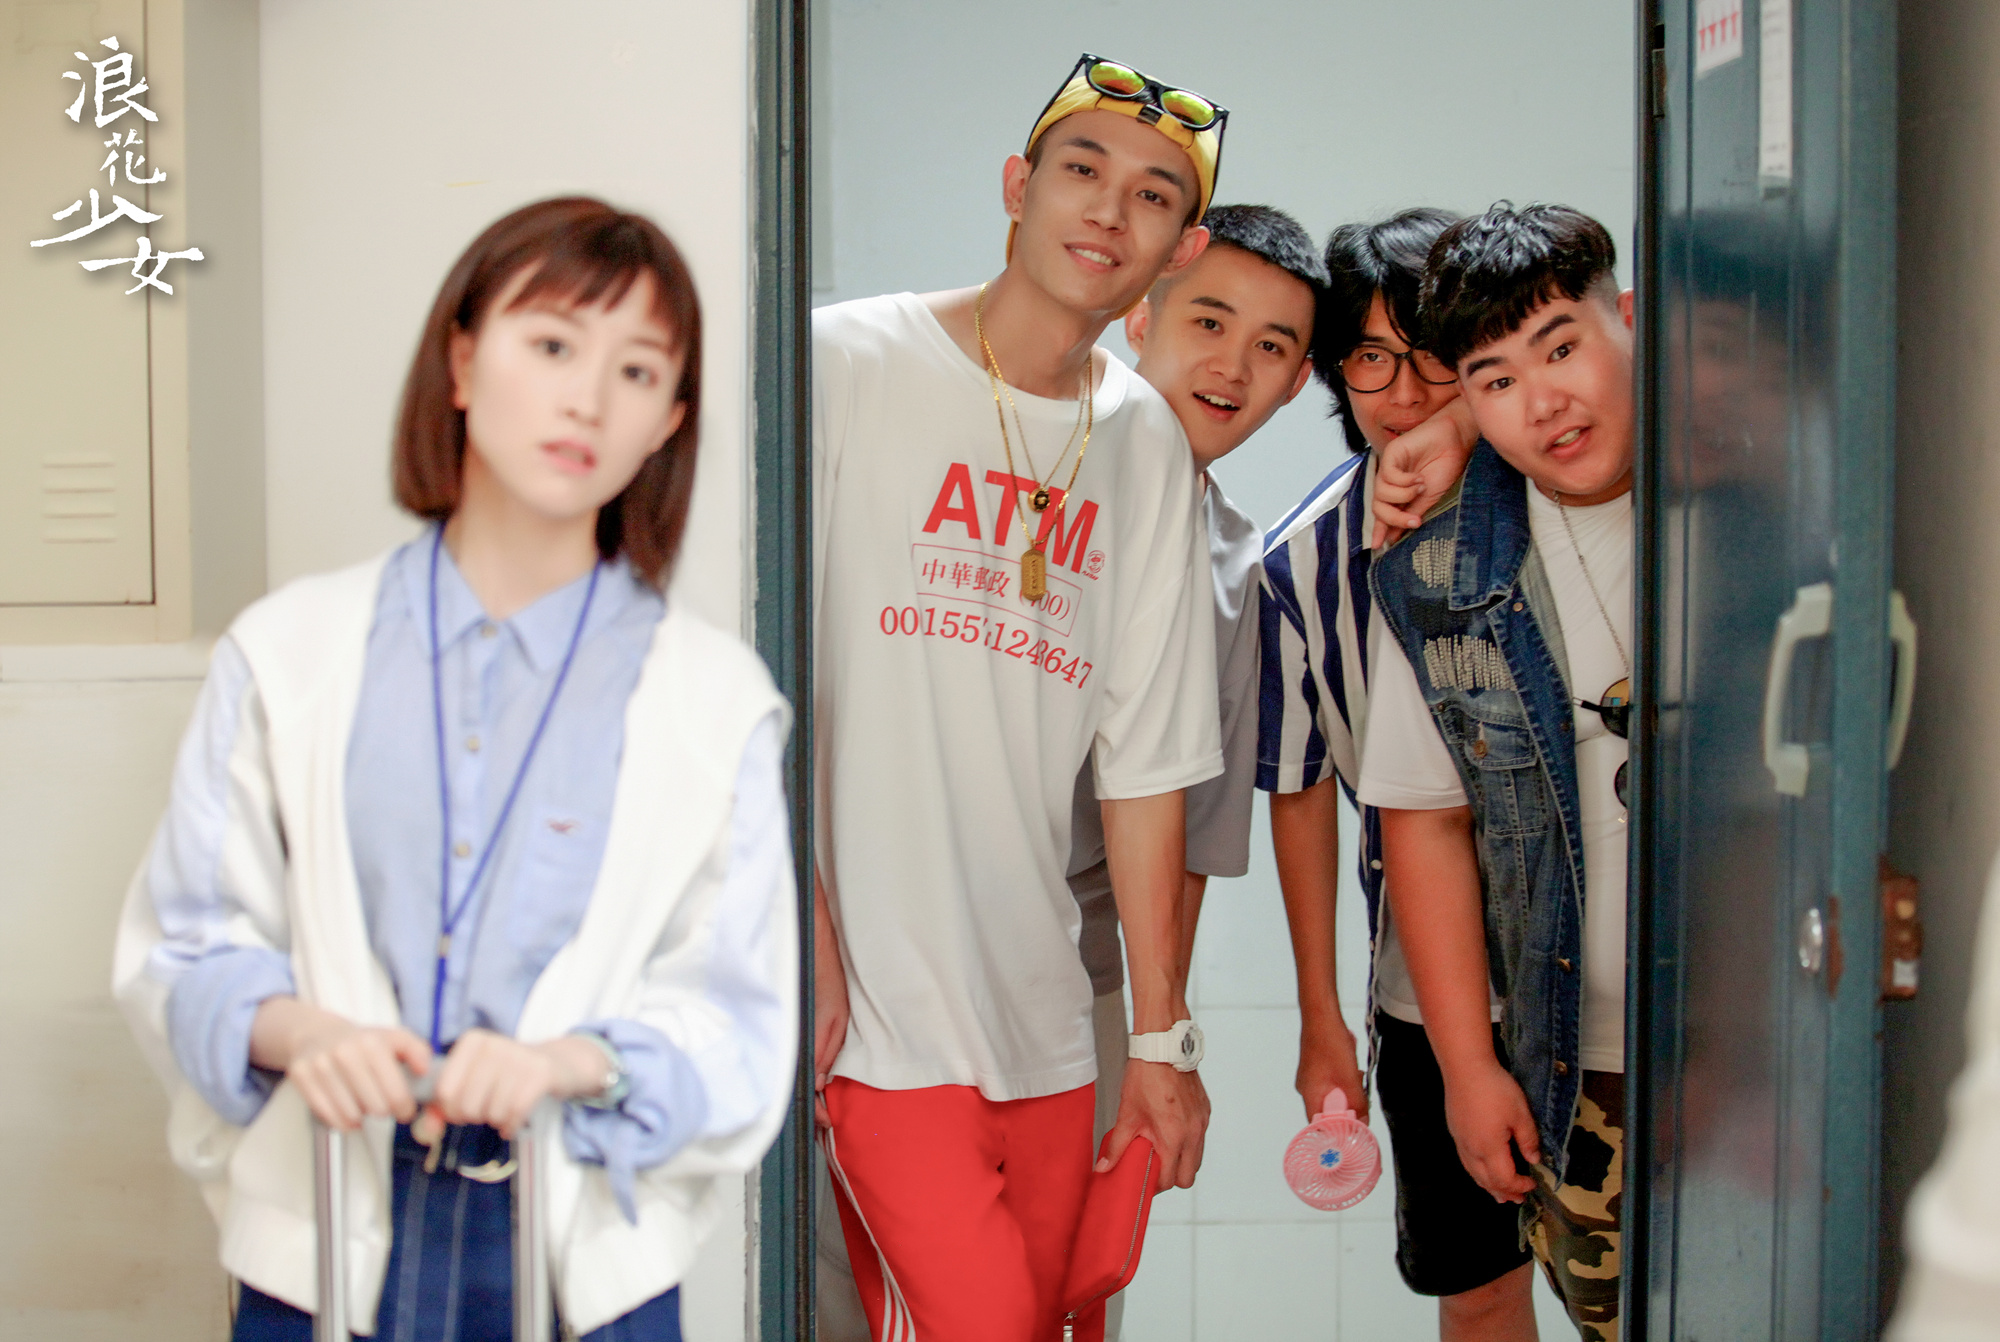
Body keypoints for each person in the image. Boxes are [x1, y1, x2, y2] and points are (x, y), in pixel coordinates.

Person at [112, 197, 798, 1341]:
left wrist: (571, 1062)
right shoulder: (287, 653)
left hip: (582, 1262)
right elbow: (180, 949)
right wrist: (301, 1033)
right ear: (464, 360)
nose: (588, 398)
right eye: (553, 345)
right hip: (325, 1238)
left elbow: (737, 1025)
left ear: (667, 422)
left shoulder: (716, 700)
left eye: (636, 371)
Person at [811, 52, 1227, 1342]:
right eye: (1080, 169)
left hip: (1046, 1030)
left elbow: (1145, 764)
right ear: (1016, 184)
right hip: (877, 1022)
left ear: (1177, 249)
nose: (1107, 210)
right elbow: (745, 678)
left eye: (1151, 196)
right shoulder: (842, 361)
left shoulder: (1145, 445)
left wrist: (1157, 1045)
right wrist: (797, 922)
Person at [1264, 207, 1579, 1342]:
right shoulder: (1299, 561)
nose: (1403, 393)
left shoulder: (1566, 488)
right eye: (1367, 358)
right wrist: (1321, 1020)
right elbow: (1300, 791)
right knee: (1480, 1286)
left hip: (1594, 961)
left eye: (1433, 357)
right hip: (1429, 985)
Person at [1357, 201, 1637, 1342]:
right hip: (1575, 1062)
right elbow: (1422, 825)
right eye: (1497, 380)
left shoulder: (1755, 506)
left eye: (1562, 348)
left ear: (1628, 320)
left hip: (1756, 1043)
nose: (1544, 401)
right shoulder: (1433, 579)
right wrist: (1469, 1069)